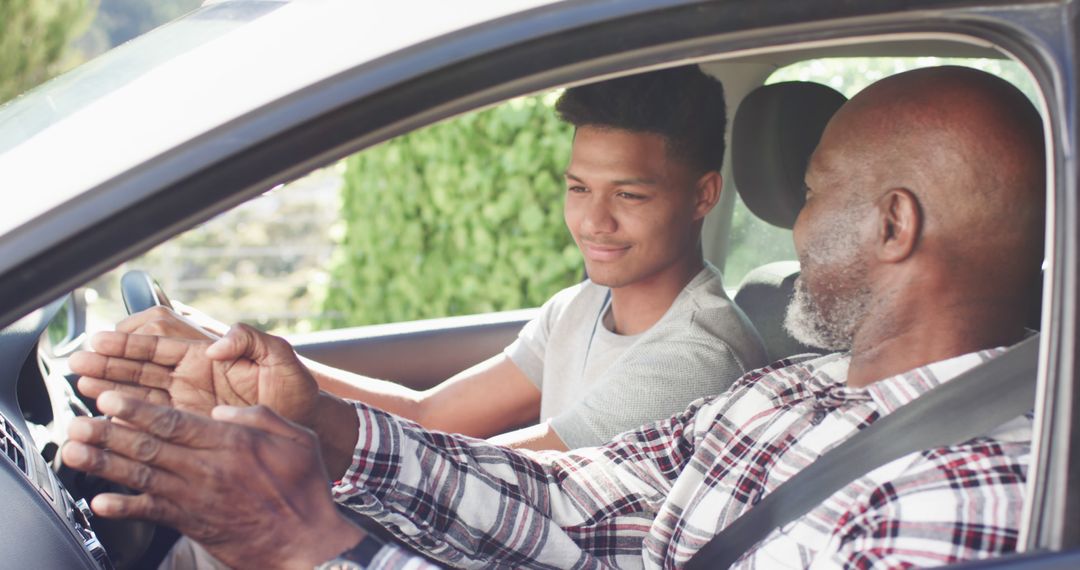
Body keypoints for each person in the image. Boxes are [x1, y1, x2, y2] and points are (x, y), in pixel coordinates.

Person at [61, 65, 1044, 568]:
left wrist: (317, 547)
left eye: (814, 191)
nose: (791, 219)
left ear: (893, 225)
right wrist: (322, 423)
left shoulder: (969, 492)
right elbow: (573, 507)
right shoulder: (792, 392)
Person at [118, 64, 767, 453]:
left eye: (628, 194)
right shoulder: (581, 306)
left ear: (703, 194)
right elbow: (429, 417)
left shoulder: (695, 358)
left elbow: (496, 478)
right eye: (578, 188)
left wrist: (299, 419)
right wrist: (220, 341)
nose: (593, 221)